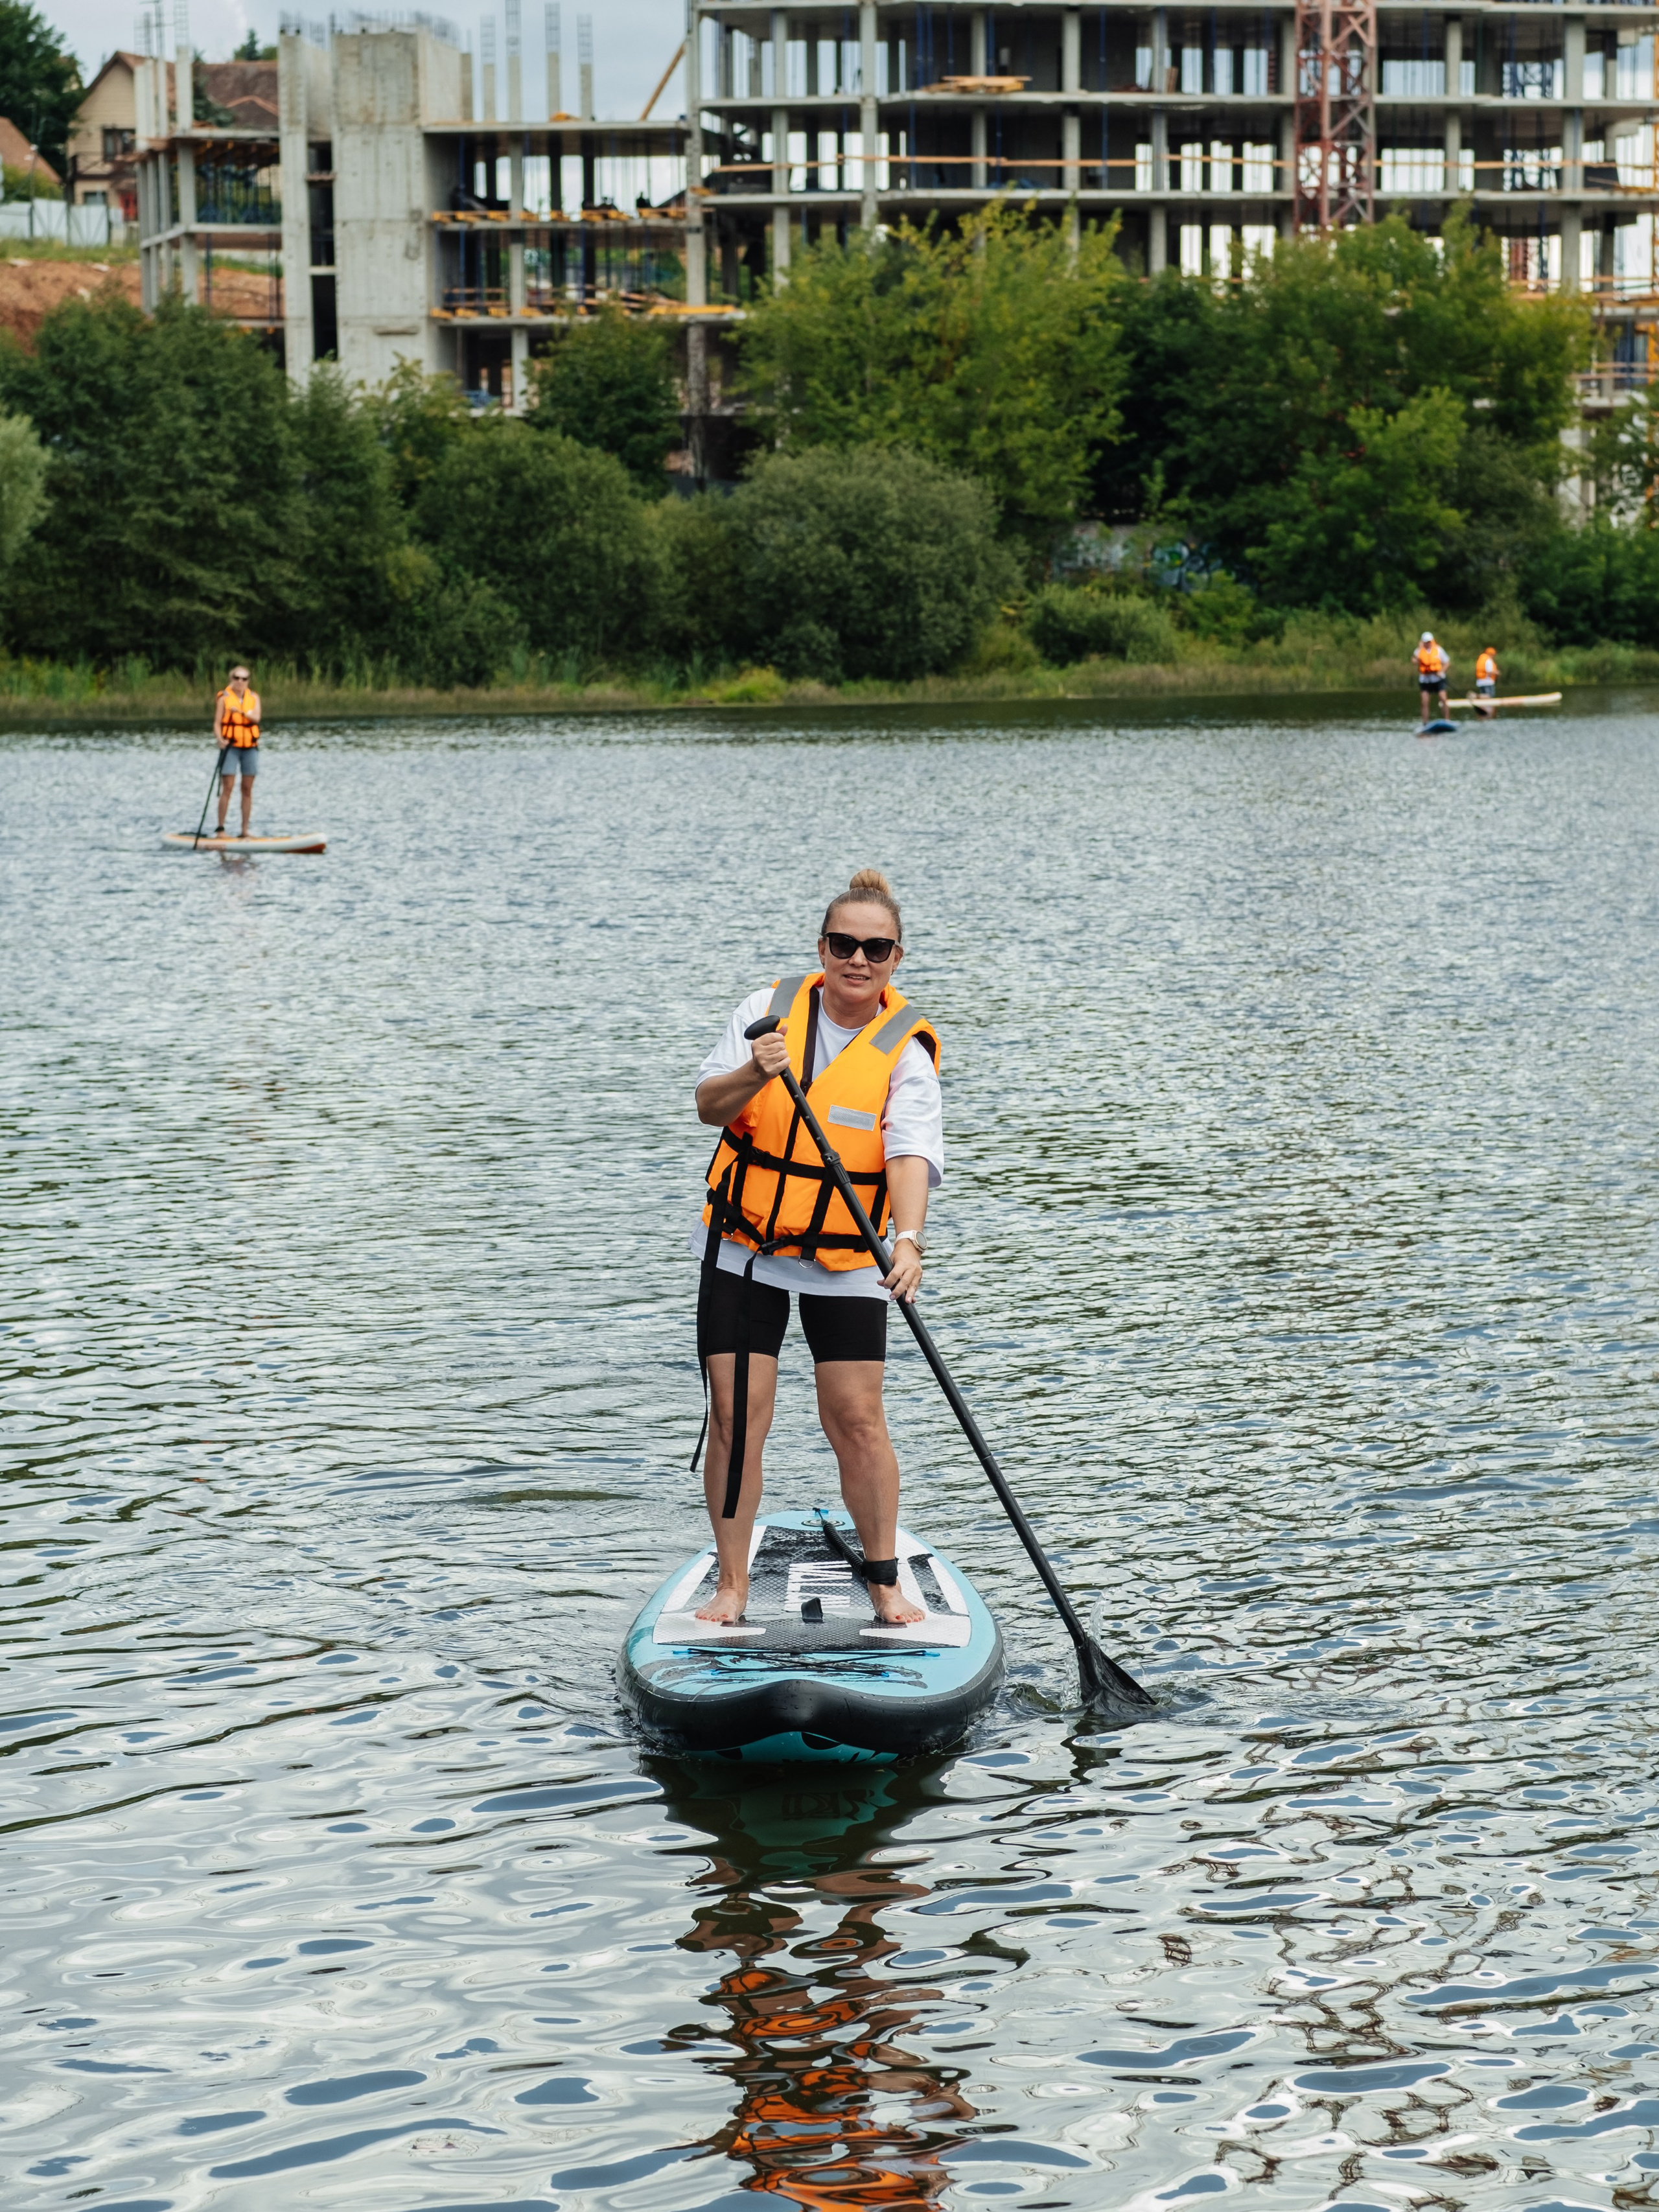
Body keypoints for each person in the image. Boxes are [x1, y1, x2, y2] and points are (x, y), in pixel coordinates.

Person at [690, 867, 942, 1627]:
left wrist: (908, 1239)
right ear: (822, 947)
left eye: (875, 948)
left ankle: (883, 1580)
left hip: (848, 1250)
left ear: (896, 957)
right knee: (737, 1416)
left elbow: (909, 1152)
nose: (857, 959)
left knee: (856, 1418)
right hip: (746, 1246)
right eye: (843, 943)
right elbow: (708, 1106)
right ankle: (732, 1584)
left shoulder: (905, 1047)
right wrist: (752, 1069)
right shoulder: (765, 1011)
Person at [212, 663, 262, 837]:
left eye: (244, 679)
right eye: (237, 678)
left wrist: (240, 712)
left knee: (247, 789)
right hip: (231, 747)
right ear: (231, 679)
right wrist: (220, 739)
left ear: (248, 681)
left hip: (250, 748)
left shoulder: (253, 697)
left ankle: (245, 830)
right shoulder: (224, 698)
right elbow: (217, 723)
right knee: (228, 787)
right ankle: (221, 829)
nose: (240, 681)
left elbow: (256, 718)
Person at [1413, 632, 1450, 726]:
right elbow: (1414, 661)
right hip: (1425, 680)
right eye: (1426, 642)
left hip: (1438, 679)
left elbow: (1447, 662)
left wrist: (1441, 671)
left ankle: (1447, 721)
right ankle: (1425, 724)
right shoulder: (1419, 651)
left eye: (1429, 642)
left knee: (1443, 698)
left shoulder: (1438, 650)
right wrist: (1419, 649)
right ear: (1423, 642)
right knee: (1424, 702)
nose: (1428, 644)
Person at [1474, 644, 1500, 718]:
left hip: (1480, 682)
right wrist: (1497, 673)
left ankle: (1483, 715)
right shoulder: (1488, 660)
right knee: (1490, 696)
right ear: (1491, 654)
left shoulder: (1481, 659)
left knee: (1484, 700)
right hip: (1488, 682)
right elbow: (1489, 671)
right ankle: (1475, 696)